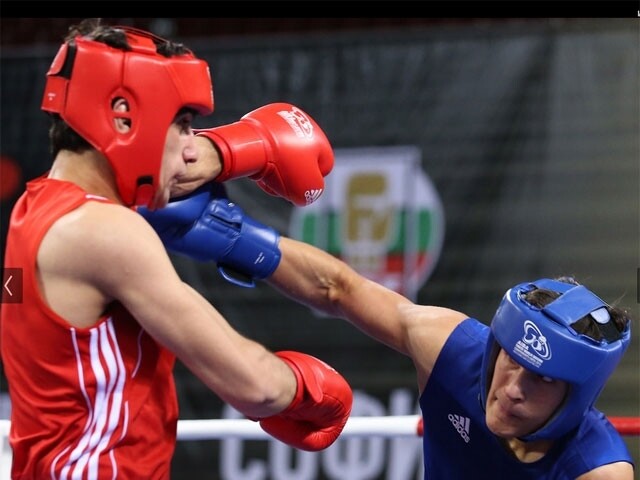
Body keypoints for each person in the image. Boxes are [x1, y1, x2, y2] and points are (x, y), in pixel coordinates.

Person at [0, 19, 353, 479]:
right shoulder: (105, 232)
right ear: (123, 115)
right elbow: (254, 384)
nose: (191, 150)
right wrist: (308, 389)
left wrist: (239, 149)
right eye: (183, 125)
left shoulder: (32, 212)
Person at [139, 184, 635, 479]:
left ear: (578, 395)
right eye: (512, 360)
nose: (512, 389)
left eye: (542, 380)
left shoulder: (597, 470)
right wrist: (232, 238)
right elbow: (340, 289)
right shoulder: (455, 351)